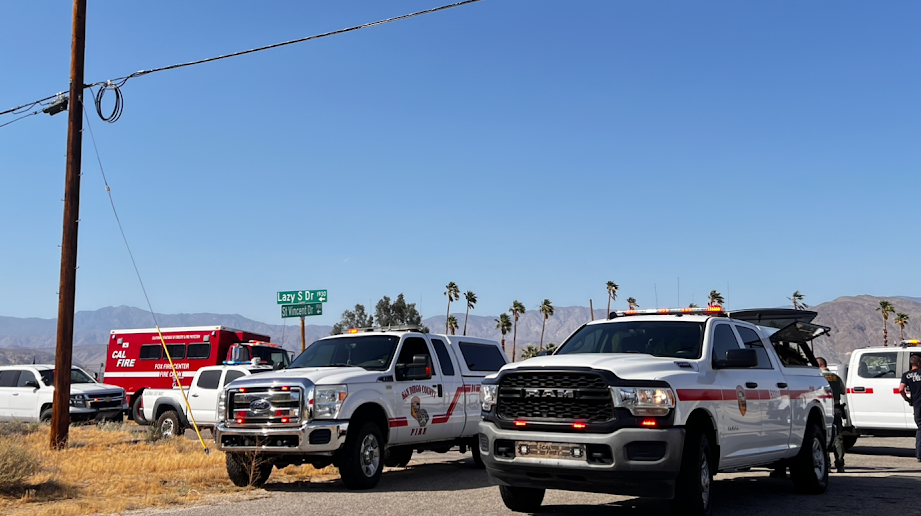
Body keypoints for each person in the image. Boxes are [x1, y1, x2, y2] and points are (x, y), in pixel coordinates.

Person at [817, 357, 846, 473]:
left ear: (818, 365)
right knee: (838, 437)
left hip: (824, 410)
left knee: (823, 436)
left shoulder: (818, 378)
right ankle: (840, 464)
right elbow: (843, 391)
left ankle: (826, 464)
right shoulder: (836, 377)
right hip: (837, 408)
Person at [899, 355, 921, 462]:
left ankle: (919, 455)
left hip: (917, 405)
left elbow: (901, 389)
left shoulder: (906, 375)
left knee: (920, 429)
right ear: (919, 364)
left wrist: (907, 399)